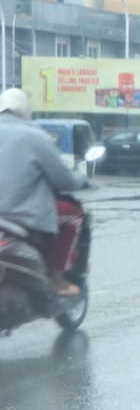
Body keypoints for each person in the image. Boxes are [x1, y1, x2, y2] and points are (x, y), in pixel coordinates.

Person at [0, 88, 85, 296]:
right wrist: (81, 180)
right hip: (22, 217)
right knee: (73, 215)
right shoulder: (34, 136)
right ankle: (57, 279)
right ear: (25, 110)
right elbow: (63, 179)